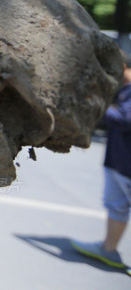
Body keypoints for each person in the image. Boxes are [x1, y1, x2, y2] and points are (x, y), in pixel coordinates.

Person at [71, 56, 131, 269]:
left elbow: (125, 119)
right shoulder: (124, 90)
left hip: (125, 164)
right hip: (119, 162)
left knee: (118, 207)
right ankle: (109, 249)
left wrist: (95, 104)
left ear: (121, 67)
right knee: (117, 208)